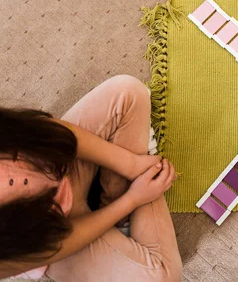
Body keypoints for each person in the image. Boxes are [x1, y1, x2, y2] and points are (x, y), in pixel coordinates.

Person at [0, 75, 182, 282]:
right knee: (163, 278)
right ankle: (124, 211)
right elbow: (56, 244)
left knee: (128, 91)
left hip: (62, 164)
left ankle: (120, 209)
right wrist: (133, 199)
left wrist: (131, 164)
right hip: (58, 241)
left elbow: (49, 134)